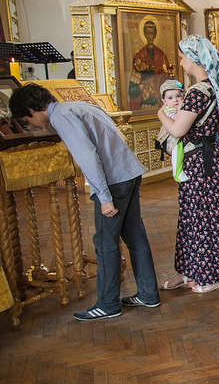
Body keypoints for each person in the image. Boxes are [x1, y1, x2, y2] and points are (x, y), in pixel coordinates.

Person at [10, 84, 160, 320]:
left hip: (113, 182)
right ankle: (148, 294)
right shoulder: (78, 105)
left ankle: (108, 305)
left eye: (27, 120)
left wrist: (104, 197)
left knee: (105, 243)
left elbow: (89, 158)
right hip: (129, 173)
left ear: (30, 110)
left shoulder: (61, 117)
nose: (32, 125)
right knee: (135, 235)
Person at [156, 35, 219, 293]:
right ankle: (198, 272)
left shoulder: (197, 92)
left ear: (194, 58)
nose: (180, 62)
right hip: (213, 158)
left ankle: (208, 276)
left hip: (200, 163)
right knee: (211, 216)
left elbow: (178, 130)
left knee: (200, 217)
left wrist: (160, 114)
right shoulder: (216, 86)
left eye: (182, 57)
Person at [130, 20, 172, 111]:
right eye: (148, 33)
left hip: (163, 104)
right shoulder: (139, 57)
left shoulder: (161, 55)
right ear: (144, 34)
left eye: (152, 33)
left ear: (155, 34)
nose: (150, 36)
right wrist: (143, 85)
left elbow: (169, 81)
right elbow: (132, 92)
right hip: (146, 104)